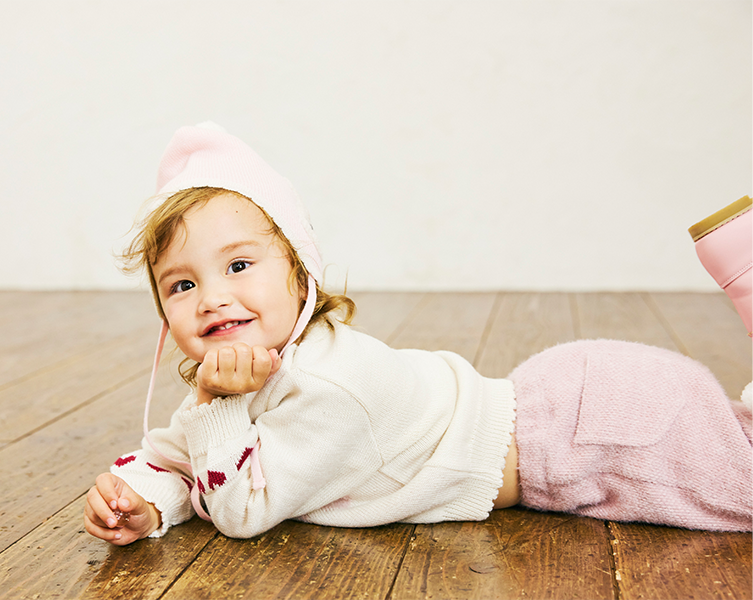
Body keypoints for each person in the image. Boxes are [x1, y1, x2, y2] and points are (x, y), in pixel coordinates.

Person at [84, 123, 753, 545]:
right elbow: (179, 459)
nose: (212, 297)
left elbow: (240, 509)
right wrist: (143, 502)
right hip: (572, 407)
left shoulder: (327, 386)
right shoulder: (235, 383)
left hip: (587, 437)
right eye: (181, 285)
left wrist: (216, 406)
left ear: (299, 272)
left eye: (238, 266)